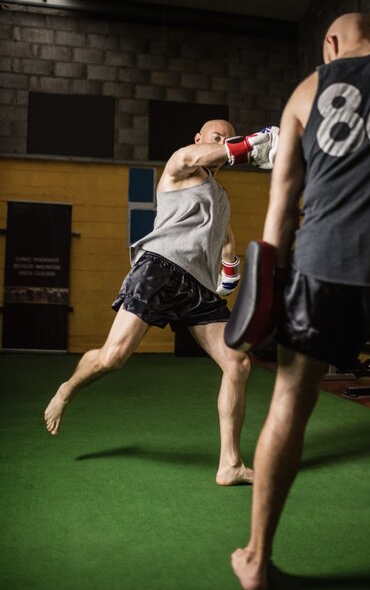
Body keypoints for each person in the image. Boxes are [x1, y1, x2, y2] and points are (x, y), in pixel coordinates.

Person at [231, 13, 370, 588]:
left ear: (330, 45)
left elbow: (282, 201)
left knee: (289, 398)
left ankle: (257, 561)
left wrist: (265, 286)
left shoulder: (308, 88)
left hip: (322, 263)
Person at [44, 119, 277, 486]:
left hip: (199, 286)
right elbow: (204, 155)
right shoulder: (182, 164)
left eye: (225, 137)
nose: (221, 141)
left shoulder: (221, 196)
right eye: (215, 137)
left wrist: (228, 278)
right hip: (160, 267)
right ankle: (67, 389)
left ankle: (230, 464)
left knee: (238, 363)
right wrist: (251, 143)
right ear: (199, 139)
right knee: (113, 358)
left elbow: (227, 243)